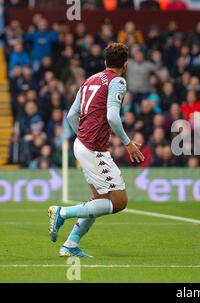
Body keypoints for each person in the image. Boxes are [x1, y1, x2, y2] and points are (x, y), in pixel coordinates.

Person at [47, 43, 145, 257]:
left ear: (105, 62)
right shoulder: (117, 81)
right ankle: (62, 212)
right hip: (93, 148)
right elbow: (112, 116)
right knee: (119, 202)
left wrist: (83, 137)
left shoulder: (89, 80)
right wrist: (128, 143)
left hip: (82, 144)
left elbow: (71, 116)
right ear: (125, 65)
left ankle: (70, 244)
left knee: (99, 198)